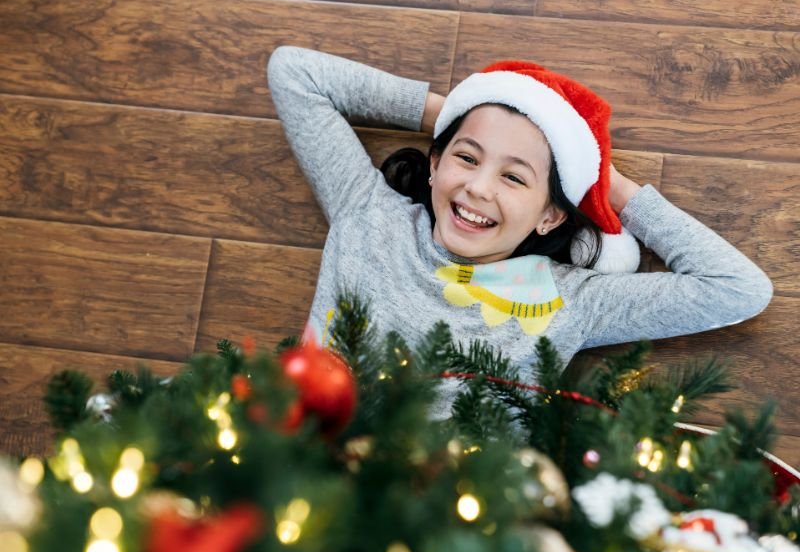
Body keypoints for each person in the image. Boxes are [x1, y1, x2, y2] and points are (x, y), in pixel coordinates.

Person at [266, 45, 772, 417]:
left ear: (550, 215)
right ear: (435, 165)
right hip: (296, 462)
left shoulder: (569, 299)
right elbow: (295, 72)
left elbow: (738, 289)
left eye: (513, 177)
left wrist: (607, 186)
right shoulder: (367, 211)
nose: (479, 188)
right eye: (466, 158)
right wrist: (462, 114)